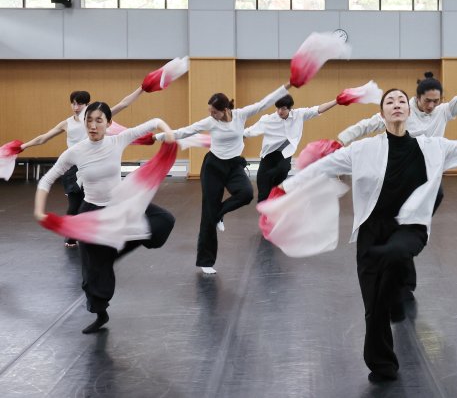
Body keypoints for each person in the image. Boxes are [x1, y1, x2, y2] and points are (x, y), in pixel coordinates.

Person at [279, 88, 457, 383]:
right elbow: (324, 166)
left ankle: (396, 293)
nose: (396, 104)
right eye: (390, 101)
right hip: (372, 230)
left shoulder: (433, 146)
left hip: (410, 227)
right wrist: (286, 188)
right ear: (382, 113)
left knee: (395, 254)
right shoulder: (363, 150)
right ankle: (382, 364)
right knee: (373, 306)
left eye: (401, 101)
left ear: (409, 111)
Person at [337, 65, 457, 297]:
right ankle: (402, 271)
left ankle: (406, 245)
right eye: (427, 101)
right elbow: (367, 125)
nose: (431, 106)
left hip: (427, 183)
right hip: (401, 180)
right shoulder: (403, 110)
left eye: (436, 101)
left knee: (411, 227)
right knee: (400, 235)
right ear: (417, 98)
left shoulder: (444, 112)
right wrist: (341, 140)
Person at [34, 101, 176, 334]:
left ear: (109, 123)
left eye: (99, 120)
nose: (93, 125)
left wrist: (168, 133)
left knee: (164, 221)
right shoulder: (76, 151)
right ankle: (101, 314)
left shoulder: (117, 140)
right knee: (92, 273)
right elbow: (47, 179)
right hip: (92, 213)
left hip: (121, 205)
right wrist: (40, 211)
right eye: (89, 120)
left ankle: (113, 249)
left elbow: (155, 121)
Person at [158, 82, 292, 274]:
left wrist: (288, 85)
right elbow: (187, 130)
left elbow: (264, 103)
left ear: (225, 109)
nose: (212, 115)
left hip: (234, 166)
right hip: (213, 167)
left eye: (215, 112)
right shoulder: (210, 122)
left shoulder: (241, 115)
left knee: (246, 194)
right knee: (208, 212)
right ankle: (206, 261)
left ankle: (219, 214)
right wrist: (158, 137)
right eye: (210, 112)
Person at [21, 86, 144, 247]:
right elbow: (43, 138)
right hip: (74, 169)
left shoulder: (96, 118)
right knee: (74, 205)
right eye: (73, 103)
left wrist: (142, 88)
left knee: (95, 204)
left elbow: (124, 104)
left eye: (79, 104)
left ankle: (96, 234)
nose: (76, 107)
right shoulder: (66, 123)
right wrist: (23, 146)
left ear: (87, 105)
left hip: (94, 166)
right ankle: (72, 235)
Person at [244, 94, 338, 202]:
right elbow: (248, 132)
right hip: (268, 156)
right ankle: (268, 201)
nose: (280, 111)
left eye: (283, 108)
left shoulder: (299, 115)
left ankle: (276, 192)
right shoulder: (268, 120)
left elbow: (318, 109)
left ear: (290, 108)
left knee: (282, 170)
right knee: (263, 195)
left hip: (284, 154)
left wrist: (336, 101)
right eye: (278, 108)